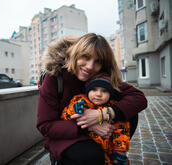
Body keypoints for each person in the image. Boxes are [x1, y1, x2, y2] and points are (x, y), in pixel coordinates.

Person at [37, 33, 147, 165]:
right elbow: (45, 126)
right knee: (91, 155)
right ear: (76, 54)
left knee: (129, 114)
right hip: (64, 135)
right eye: (86, 57)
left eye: (98, 61)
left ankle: (113, 152)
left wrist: (104, 114)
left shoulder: (100, 77)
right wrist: (89, 125)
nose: (90, 66)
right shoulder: (55, 77)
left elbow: (138, 98)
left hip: (99, 132)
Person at [61, 76, 130, 165]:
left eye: (104, 91)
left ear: (110, 94)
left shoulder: (112, 107)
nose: (98, 94)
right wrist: (74, 109)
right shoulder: (81, 101)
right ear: (88, 91)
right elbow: (65, 115)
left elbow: (122, 129)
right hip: (89, 144)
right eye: (94, 90)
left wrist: (120, 150)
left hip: (110, 148)